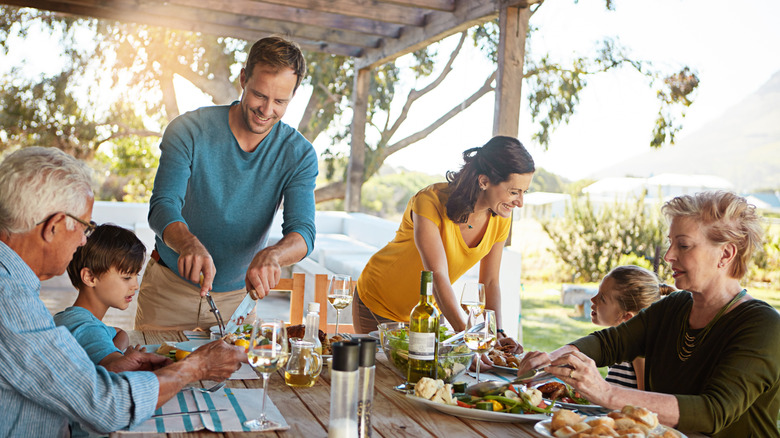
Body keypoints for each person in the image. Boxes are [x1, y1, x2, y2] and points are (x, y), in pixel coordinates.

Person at [0, 147, 246, 437]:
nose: (82, 242)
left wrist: (112, 370)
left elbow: (59, 382)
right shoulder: (10, 301)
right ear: (53, 227)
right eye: (83, 228)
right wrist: (196, 367)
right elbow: (107, 407)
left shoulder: (14, 287)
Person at [518, 191, 780, 437]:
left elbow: (712, 411)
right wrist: (551, 359)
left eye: (684, 245)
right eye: (670, 244)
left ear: (725, 253)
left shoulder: (762, 326)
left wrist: (606, 393)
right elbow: (609, 343)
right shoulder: (674, 307)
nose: (668, 256)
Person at [136, 36, 318, 331]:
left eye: (280, 101)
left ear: (293, 96)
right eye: (260, 95)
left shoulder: (299, 155)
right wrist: (187, 243)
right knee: (155, 375)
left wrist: (274, 255)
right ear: (243, 78)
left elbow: (303, 233)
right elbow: (162, 206)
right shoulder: (188, 130)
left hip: (238, 303)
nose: (267, 109)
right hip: (168, 292)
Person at [353, 136, 534, 355]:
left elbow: (490, 281)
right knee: (385, 381)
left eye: (524, 192)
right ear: (484, 181)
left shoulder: (500, 219)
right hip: (380, 302)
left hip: (428, 314)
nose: (520, 202)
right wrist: (467, 338)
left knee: (437, 379)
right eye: (514, 192)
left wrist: (496, 333)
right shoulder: (429, 202)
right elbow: (436, 274)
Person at [55, 224, 148, 371]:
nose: (135, 286)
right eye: (126, 277)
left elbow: (120, 333)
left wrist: (113, 352)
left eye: (136, 276)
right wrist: (123, 359)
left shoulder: (73, 319)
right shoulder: (86, 327)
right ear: (90, 277)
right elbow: (119, 369)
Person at [589, 265, 674, 390]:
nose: (593, 299)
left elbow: (644, 400)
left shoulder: (638, 351)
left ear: (627, 318)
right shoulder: (620, 344)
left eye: (602, 298)